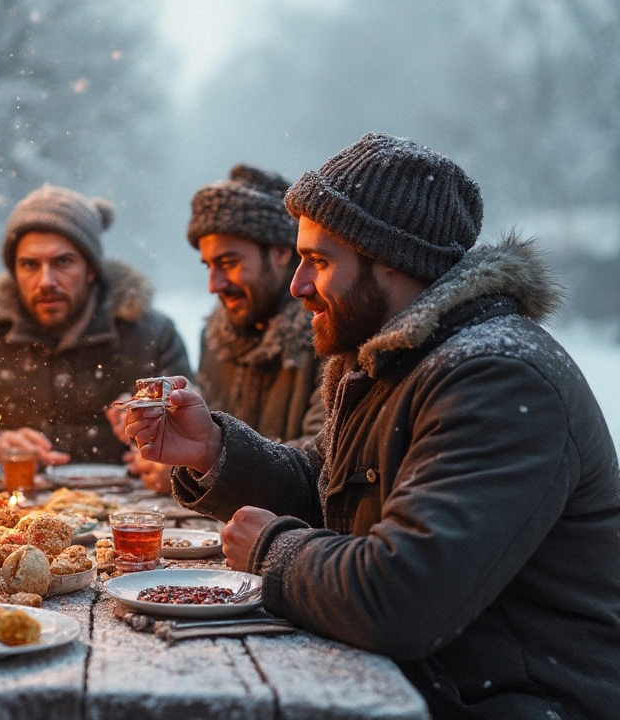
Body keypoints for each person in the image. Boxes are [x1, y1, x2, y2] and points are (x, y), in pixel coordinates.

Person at [125, 133, 620, 719]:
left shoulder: (497, 378)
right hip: (418, 684)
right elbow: (330, 489)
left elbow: (405, 600)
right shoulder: (382, 359)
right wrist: (213, 450)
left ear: (393, 260)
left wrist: (272, 551)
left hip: (513, 702)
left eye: (319, 261)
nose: (297, 286)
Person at [0, 184, 192, 466]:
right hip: (14, 504)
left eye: (63, 261)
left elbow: (193, 435)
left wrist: (159, 445)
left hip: (132, 507)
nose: (46, 281)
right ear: (14, 272)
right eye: (30, 265)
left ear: (92, 269)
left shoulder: (153, 337)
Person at [187, 164, 324, 445]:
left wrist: (205, 465)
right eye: (209, 266)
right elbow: (205, 437)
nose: (215, 284)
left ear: (281, 253)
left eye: (229, 263)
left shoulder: (329, 335)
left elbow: (325, 458)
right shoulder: (215, 340)